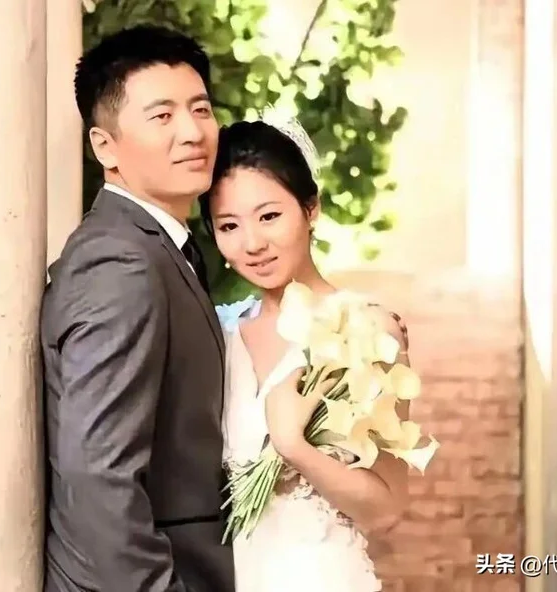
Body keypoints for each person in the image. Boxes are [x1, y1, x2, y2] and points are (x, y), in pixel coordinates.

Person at [40, 25, 235, 592]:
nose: (192, 132)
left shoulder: (155, 248)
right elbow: (98, 473)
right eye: (162, 116)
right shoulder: (120, 263)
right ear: (105, 146)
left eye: (201, 109)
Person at [199, 117, 411, 592]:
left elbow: (387, 510)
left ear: (311, 209)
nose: (252, 243)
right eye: (229, 225)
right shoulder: (218, 334)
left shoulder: (366, 331)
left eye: (269, 216)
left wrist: (293, 446)